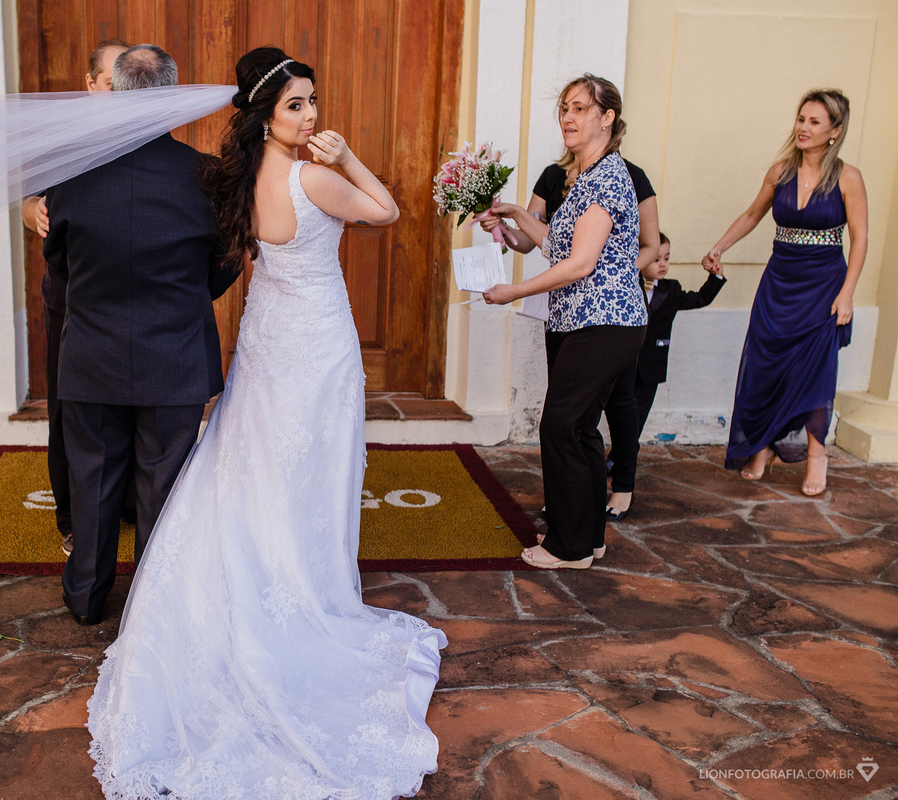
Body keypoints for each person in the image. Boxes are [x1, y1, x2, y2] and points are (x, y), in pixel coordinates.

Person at [86, 47, 447, 797]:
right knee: (310, 471)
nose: (311, 116)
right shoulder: (316, 176)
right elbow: (386, 210)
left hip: (265, 337)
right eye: (296, 106)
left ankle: (259, 577)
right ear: (266, 114)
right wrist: (350, 159)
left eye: (313, 102)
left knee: (255, 465)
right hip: (313, 342)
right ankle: (302, 594)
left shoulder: (233, 179)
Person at [44, 44, 241, 626]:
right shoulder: (208, 177)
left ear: (117, 93)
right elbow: (222, 266)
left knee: (93, 480)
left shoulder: (72, 173)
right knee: (163, 486)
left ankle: (85, 597)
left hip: (90, 354)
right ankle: (155, 608)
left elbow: (60, 261)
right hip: (173, 354)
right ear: (173, 97)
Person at [481, 74, 646, 569]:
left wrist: (513, 291)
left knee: (561, 426)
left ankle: (568, 548)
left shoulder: (608, 176)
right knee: (581, 431)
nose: (568, 118)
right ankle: (587, 535)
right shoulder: (583, 176)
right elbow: (556, 242)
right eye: (564, 110)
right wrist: (510, 219)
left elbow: (580, 264)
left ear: (606, 118)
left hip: (605, 319)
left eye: (579, 109)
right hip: (582, 320)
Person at [704, 89, 866, 496]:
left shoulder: (848, 177)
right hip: (779, 284)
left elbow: (861, 241)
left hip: (824, 286)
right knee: (766, 366)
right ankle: (763, 445)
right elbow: (753, 214)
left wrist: (846, 294)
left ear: (835, 131)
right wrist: (719, 246)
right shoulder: (780, 172)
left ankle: (816, 455)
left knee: (815, 372)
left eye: (814, 122)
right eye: (801, 119)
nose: (803, 128)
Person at [22, 37, 129, 555]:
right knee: (71, 410)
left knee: (131, 406)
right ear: (90, 85)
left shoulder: (148, 133)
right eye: (112, 83)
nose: (121, 92)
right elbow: (29, 192)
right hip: (73, 296)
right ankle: (73, 518)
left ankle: (129, 502)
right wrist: (29, 211)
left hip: (135, 297)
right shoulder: (62, 139)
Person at [602, 232, 725, 519]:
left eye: (666, 258)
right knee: (617, 414)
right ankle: (615, 457)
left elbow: (699, 299)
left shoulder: (671, 290)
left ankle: (619, 462)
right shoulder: (625, 284)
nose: (662, 264)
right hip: (623, 363)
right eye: (656, 258)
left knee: (636, 422)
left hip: (651, 369)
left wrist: (715, 278)